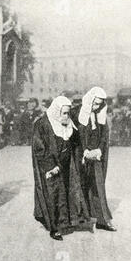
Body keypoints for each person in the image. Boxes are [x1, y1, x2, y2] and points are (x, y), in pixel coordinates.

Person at [32, 96, 91, 241]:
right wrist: (51, 166)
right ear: (57, 112)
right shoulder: (42, 124)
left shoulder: (68, 123)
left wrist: (81, 154)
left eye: (68, 113)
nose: (67, 116)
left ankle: (65, 222)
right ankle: (54, 228)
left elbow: (76, 141)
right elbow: (39, 148)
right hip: (51, 166)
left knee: (65, 192)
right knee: (53, 194)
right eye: (64, 113)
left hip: (65, 165)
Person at [78, 87, 117, 232]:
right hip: (80, 157)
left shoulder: (101, 115)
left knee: (98, 187)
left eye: (99, 104)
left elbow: (104, 135)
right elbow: (75, 135)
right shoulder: (78, 113)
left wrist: (99, 149)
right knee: (80, 185)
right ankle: (80, 218)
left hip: (96, 156)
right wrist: (84, 151)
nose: (96, 107)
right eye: (95, 104)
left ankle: (102, 220)